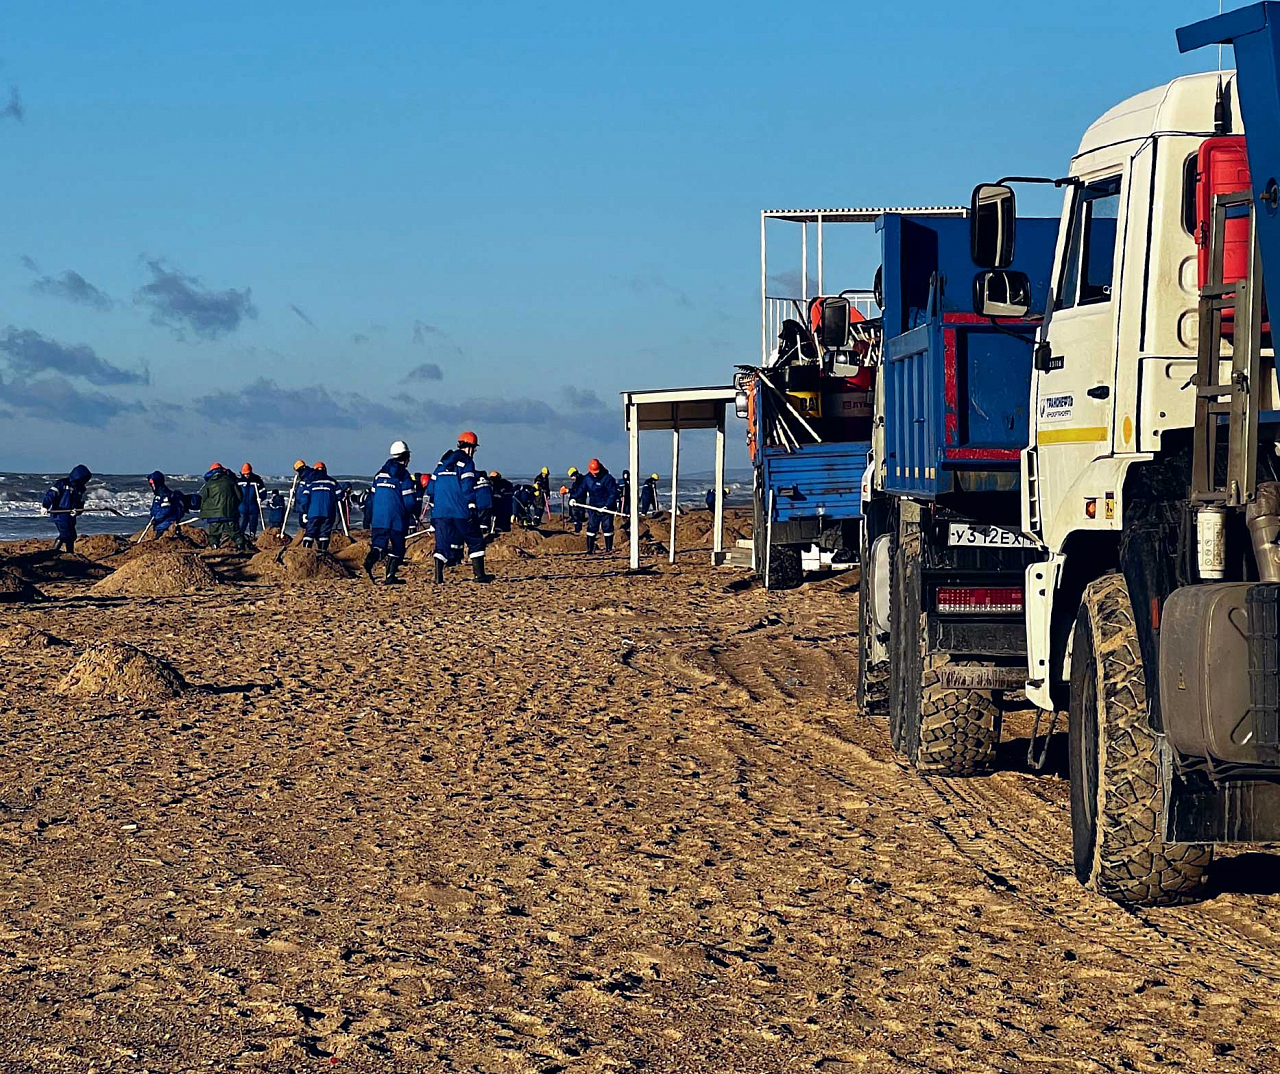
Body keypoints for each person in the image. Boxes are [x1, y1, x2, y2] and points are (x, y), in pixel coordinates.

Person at [431, 430, 491, 584]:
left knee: (442, 544)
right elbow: (467, 485)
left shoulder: (441, 465)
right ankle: (479, 575)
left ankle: (438, 577)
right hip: (460, 510)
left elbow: (431, 487)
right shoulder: (467, 463)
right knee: (475, 540)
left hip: (440, 512)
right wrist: (472, 506)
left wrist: (433, 508)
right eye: (474, 449)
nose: (474, 452)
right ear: (470, 448)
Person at [362, 440, 418, 584]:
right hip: (396, 519)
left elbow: (371, 499)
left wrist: (368, 518)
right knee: (398, 548)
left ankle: (368, 563)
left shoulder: (379, 475)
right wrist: (414, 514)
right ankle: (390, 576)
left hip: (379, 519)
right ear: (406, 457)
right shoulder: (404, 476)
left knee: (378, 545)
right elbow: (409, 501)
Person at [42, 464, 92, 554]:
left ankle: (70, 553)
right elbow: (51, 494)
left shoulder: (80, 488)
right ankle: (53, 552)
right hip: (60, 514)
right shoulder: (62, 483)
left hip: (70, 515)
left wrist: (77, 511)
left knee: (72, 536)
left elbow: (79, 502)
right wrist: (45, 506)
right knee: (65, 535)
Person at [198, 463, 245, 550]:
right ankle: (240, 546)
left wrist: (205, 511)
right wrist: (233, 506)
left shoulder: (209, 483)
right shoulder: (230, 481)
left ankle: (214, 546)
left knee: (214, 534)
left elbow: (204, 498)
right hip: (230, 513)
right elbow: (239, 496)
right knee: (235, 533)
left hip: (214, 515)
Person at [296, 461, 340, 551]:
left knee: (310, 533)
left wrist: (304, 510)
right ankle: (322, 553)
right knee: (324, 534)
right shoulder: (332, 482)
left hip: (313, 512)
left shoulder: (311, 482)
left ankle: (306, 553)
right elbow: (339, 495)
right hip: (328, 513)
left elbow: (305, 498)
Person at [581, 458, 618, 554]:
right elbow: (581, 489)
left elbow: (613, 493)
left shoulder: (607, 478)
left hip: (606, 508)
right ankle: (590, 550)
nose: (595, 474)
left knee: (607, 527)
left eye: (596, 472)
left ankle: (608, 549)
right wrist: (573, 497)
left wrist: (607, 506)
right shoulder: (587, 478)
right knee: (591, 527)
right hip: (594, 507)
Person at [146, 471, 189, 536]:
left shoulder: (164, 494)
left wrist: (156, 519)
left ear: (157, 482)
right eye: (150, 483)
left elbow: (166, 509)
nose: (151, 485)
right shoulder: (158, 494)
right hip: (160, 524)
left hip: (166, 524)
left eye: (152, 483)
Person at [238, 463, 265, 538]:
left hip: (253, 506)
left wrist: (261, 498)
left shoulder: (257, 480)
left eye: (248, 473)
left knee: (253, 522)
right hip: (242, 506)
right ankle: (240, 536)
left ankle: (252, 535)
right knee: (242, 522)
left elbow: (263, 492)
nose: (247, 475)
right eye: (245, 474)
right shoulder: (239, 482)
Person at [565, 466, 587, 533]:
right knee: (577, 516)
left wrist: (568, 490)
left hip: (578, 500)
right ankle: (577, 528)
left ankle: (578, 529)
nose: (572, 478)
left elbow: (577, 490)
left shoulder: (579, 481)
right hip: (579, 500)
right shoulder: (581, 479)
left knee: (577, 516)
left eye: (572, 476)